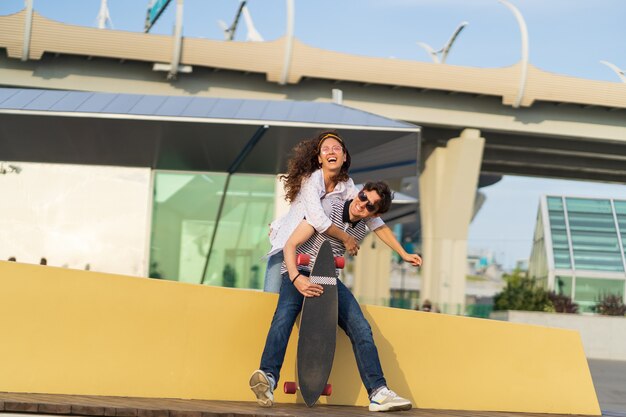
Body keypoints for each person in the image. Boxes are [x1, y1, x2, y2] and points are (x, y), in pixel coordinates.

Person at [250, 181, 422, 412]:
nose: (362, 205)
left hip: (329, 281)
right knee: (283, 317)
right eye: (362, 197)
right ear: (358, 193)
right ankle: (268, 378)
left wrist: (404, 254)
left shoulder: (364, 223)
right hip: (298, 272)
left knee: (361, 328)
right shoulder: (330, 207)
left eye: (370, 206)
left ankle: (378, 392)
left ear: (375, 213)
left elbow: (382, 230)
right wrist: (295, 278)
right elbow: (291, 244)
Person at [264, 131, 421, 293]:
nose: (331, 152)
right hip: (287, 248)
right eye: (325, 149)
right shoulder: (311, 181)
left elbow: (373, 220)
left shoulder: (346, 186)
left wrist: (403, 253)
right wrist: (346, 238)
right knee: (271, 300)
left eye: (336, 148)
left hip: (312, 257)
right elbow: (318, 220)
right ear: (319, 159)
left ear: (344, 156)